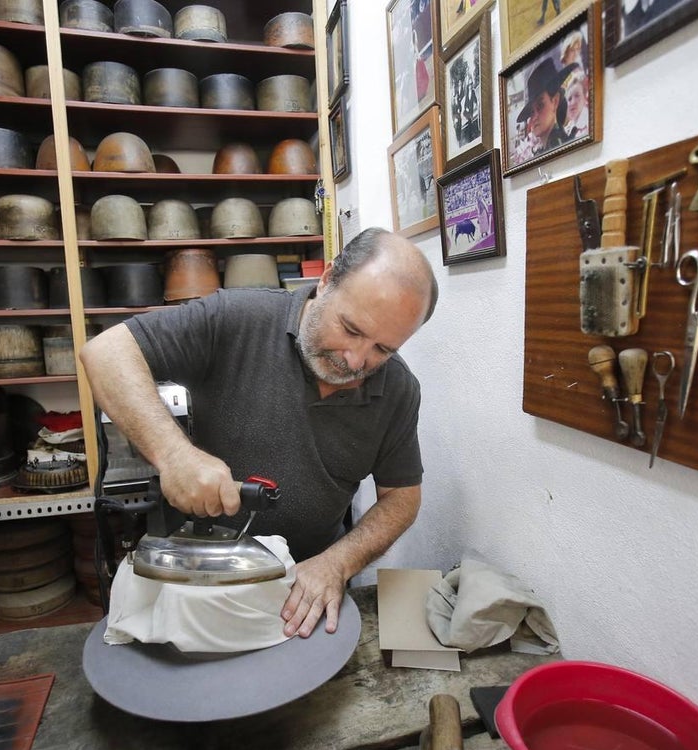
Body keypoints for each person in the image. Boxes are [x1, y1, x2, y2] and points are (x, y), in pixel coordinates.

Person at [80, 228, 438, 640]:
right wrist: (173, 454)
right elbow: (106, 352)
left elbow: (402, 499)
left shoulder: (396, 389)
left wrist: (338, 562)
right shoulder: (238, 319)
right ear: (326, 279)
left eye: (383, 349)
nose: (355, 361)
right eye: (351, 330)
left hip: (305, 591)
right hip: (196, 579)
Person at [515, 57, 578, 157]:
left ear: (555, 101)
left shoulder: (559, 146)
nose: (534, 116)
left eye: (540, 106)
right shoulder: (543, 150)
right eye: (531, 112)